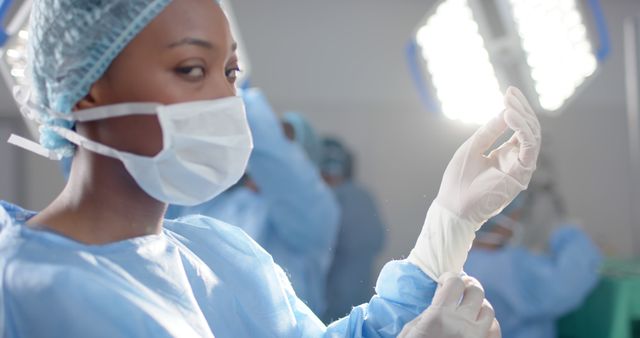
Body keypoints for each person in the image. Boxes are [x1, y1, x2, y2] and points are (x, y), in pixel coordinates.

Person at [0, 0, 540, 336]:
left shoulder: (216, 253)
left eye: (230, 72)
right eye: (191, 69)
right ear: (86, 89)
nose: (226, 100)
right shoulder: (35, 292)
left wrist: (449, 223)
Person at [165, 91, 339, 314]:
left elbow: (284, 170)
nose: (261, 145)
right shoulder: (220, 200)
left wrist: (235, 96)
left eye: (282, 138)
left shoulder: (314, 207)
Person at [464, 192, 603, 338]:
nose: (515, 224)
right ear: (497, 219)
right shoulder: (508, 267)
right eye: (514, 217)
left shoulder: (462, 263)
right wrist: (570, 235)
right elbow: (567, 281)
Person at [320, 137, 386, 322]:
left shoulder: (329, 199)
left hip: (333, 300)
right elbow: (379, 240)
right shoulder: (363, 197)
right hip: (360, 297)